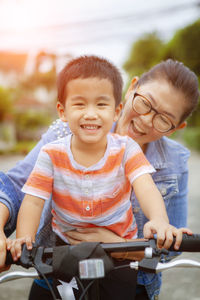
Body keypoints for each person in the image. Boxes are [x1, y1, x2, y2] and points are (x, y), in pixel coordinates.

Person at [0, 58, 199, 299]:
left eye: (164, 119)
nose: (147, 120)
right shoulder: (55, 147)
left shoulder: (128, 149)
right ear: (131, 89)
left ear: (177, 127)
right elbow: (27, 194)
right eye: (146, 103)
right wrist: (24, 240)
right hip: (61, 259)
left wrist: (159, 223)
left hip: (125, 269)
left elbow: (146, 188)